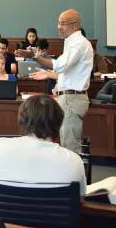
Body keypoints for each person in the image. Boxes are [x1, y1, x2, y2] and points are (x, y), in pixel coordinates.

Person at [0, 94, 87, 201]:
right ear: (59, 122)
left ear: (22, 120)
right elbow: (79, 200)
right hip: (50, 225)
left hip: (4, 224)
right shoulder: (74, 160)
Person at [17, 9, 93, 154]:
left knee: (70, 148)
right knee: (66, 143)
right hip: (69, 97)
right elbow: (67, 73)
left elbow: (59, 66)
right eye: (58, 23)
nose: (59, 26)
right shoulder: (71, 43)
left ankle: (74, 177)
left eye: (63, 23)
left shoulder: (78, 43)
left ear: (75, 25)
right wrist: (48, 74)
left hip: (72, 99)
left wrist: (35, 57)